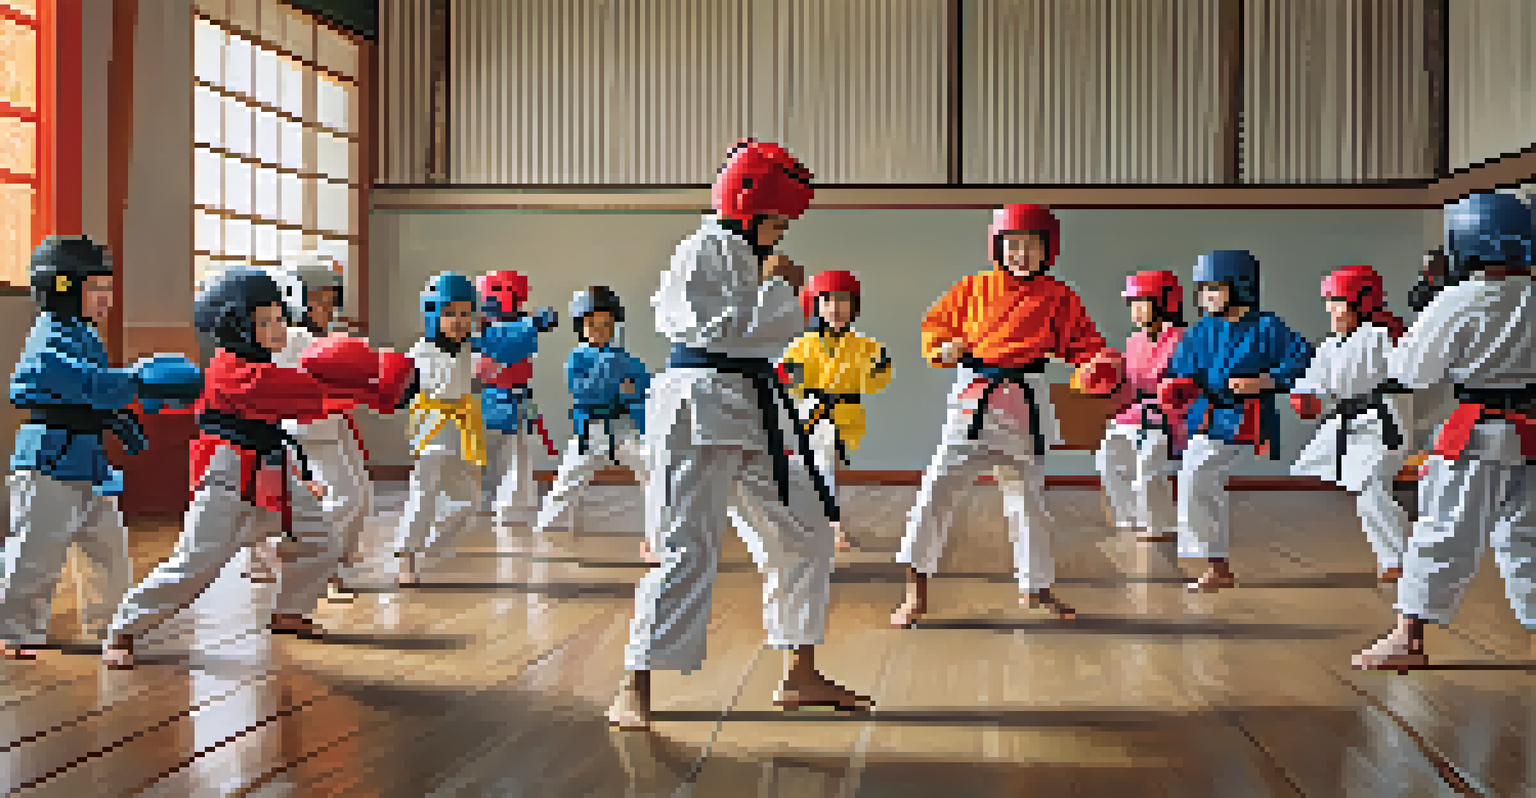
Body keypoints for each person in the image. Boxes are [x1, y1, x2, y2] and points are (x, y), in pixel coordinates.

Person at [609, 139, 871, 731]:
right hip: (696, 406)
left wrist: (774, 284)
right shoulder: (702, 250)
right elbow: (719, 331)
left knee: (805, 534)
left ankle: (799, 671)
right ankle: (634, 681)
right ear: (750, 210)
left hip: (751, 407)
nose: (783, 231)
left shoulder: (748, 255)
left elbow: (758, 336)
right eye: (778, 221)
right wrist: (779, 286)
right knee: (686, 547)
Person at [103, 268, 418, 669]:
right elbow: (294, 394)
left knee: (321, 541)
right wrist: (369, 380)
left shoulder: (263, 366)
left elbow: (300, 396)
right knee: (195, 565)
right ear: (235, 326)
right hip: (228, 478)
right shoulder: (232, 371)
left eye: (279, 318)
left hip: (272, 471)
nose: (277, 328)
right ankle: (123, 629)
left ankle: (289, 611)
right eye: (265, 321)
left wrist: (366, 387)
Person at [893, 204, 1124, 629]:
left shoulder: (1059, 296)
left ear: (1048, 249)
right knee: (936, 493)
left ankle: (1036, 587)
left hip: (1025, 404)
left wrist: (1099, 364)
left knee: (1029, 502)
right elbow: (936, 326)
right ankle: (915, 590)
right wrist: (942, 349)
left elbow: (1085, 345)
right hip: (974, 399)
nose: (1021, 254)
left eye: (1031, 245)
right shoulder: (972, 289)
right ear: (996, 247)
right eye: (1012, 245)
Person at [1354, 191, 1536, 671]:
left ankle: (1407, 637)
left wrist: (1422, 318)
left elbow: (1413, 372)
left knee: (1442, 532)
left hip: (1479, 433)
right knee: (1529, 537)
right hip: (1532, 432)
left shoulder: (1459, 298)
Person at [1, 236, 200, 660]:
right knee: (35, 552)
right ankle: (15, 631)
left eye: (109, 288)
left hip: (89, 462)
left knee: (108, 552)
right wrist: (138, 378)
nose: (105, 298)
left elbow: (97, 391)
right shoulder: (47, 337)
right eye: (96, 288)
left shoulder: (84, 334)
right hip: (48, 464)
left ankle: (108, 626)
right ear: (63, 288)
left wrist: (133, 401)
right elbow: (76, 382)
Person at [1160, 251, 1315, 593]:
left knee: (1198, 474)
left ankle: (1215, 563)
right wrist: (1178, 387)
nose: (1206, 298)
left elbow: (1304, 360)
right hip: (1206, 415)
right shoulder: (1202, 330)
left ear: (1240, 287)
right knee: (1199, 478)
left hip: (1245, 415)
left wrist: (1266, 381)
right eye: (1202, 290)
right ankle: (1217, 565)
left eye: (1214, 289)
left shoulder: (1267, 327)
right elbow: (1179, 371)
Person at [394, 272, 550, 585]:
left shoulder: (471, 344)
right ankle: (405, 553)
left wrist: (531, 325)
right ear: (433, 314)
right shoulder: (419, 353)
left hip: (464, 430)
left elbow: (504, 342)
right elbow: (398, 388)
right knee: (424, 493)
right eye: (449, 313)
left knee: (467, 502)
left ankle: (426, 549)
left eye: (465, 313)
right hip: (433, 433)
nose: (458, 321)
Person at [253, 253, 376, 602]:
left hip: (332, 425)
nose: (325, 305)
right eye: (317, 298)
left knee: (361, 495)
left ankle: (327, 556)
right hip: (305, 430)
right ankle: (308, 558)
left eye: (329, 298)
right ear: (295, 296)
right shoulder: (289, 338)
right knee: (343, 497)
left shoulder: (327, 335)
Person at [1289, 265, 1412, 583]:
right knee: (1363, 489)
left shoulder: (1384, 336)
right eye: (1328, 300)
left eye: (1337, 300)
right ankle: (1396, 556)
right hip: (1347, 424)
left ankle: (1400, 558)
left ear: (1361, 302)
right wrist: (1305, 396)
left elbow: (1411, 372)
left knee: (1371, 485)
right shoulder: (1331, 345)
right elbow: (1314, 382)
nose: (1330, 308)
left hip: (1382, 423)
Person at [778, 270, 894, 553]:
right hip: (814, 412)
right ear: (815, 305)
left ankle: (817, 524)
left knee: (826, 469)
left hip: (848, 414)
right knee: (822, 467)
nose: (835, 308)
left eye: (843, 301)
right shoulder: (802, 346)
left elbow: (878, 378)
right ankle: (831, 526)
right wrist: (792, 377)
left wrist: (877, 368)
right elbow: (786, 378)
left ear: (854, 307)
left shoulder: (865, 346)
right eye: (827, 301)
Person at [533, 286, 652, 560]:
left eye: (605, 324)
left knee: (655, 471)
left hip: (624, 428)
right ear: (581, 326)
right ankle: (548, 535)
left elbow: (643, 388)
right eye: (591, 324)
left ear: (614, 326)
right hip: (591, 432)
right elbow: (586, 392)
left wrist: (627, 391)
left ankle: (660, 535)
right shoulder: (577, 359)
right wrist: (616, 380)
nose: (599, 329)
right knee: (566, 483)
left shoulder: (627, 359)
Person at [1096, 270, 1190, 544]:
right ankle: (1129, 517)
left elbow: (1194, 383)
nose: (1135, 310)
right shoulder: (1134, 341)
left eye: (1143, 301)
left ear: (1164, 302)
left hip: (1175, 417)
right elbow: (1129, 388)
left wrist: (1176, 389)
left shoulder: (1184, 340)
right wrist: (1108, 379)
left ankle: (1160, 523)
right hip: (1140, 414)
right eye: (1132, 303)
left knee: (1150, 460)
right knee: (1107, 455)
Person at [475, 270, 559, 527]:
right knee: (481, 455)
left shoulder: (520, 326)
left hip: (515, 397)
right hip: (484, 396)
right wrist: (532, 323)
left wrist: (533, 323)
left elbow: (514, 345)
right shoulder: (480, 328)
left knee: (516, 455)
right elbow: (502, 345)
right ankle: (477, 501)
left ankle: (514, 508)